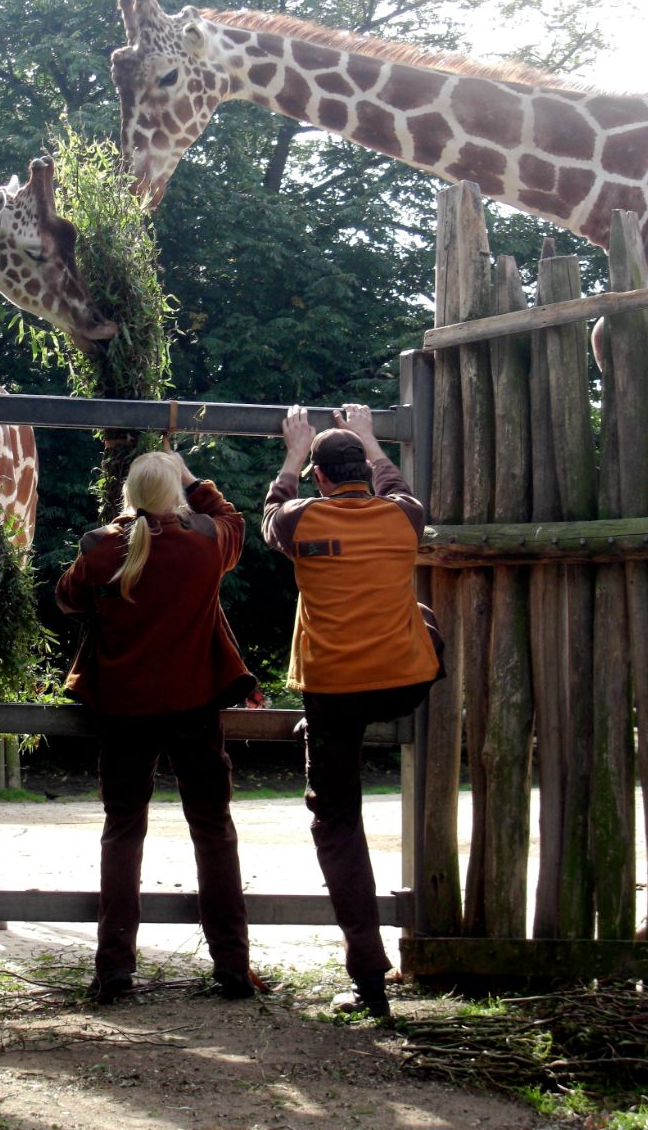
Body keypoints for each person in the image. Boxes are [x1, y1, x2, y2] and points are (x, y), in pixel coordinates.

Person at [262, 403, 443, 1019]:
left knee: (337, 821)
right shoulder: (404, 519)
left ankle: (368, 976)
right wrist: (372, 440)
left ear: (318, 478)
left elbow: (268, 512)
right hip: (404, 683)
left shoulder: (298, 521)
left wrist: (293, 453)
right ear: (362, 469)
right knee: (423, 617)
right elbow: (398, 486)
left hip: (335, 691)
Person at [56, 448, 256, 1003]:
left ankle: (114, 970)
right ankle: (233, 967)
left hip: (121, 713)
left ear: (128, 497)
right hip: (194, 707)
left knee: (123, 832)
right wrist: (194, 481)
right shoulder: (206, 545)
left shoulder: (101, 552)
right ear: (176, 497)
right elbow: (235, 522)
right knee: (213, 831)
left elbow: (67, 598)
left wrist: (120, 528)